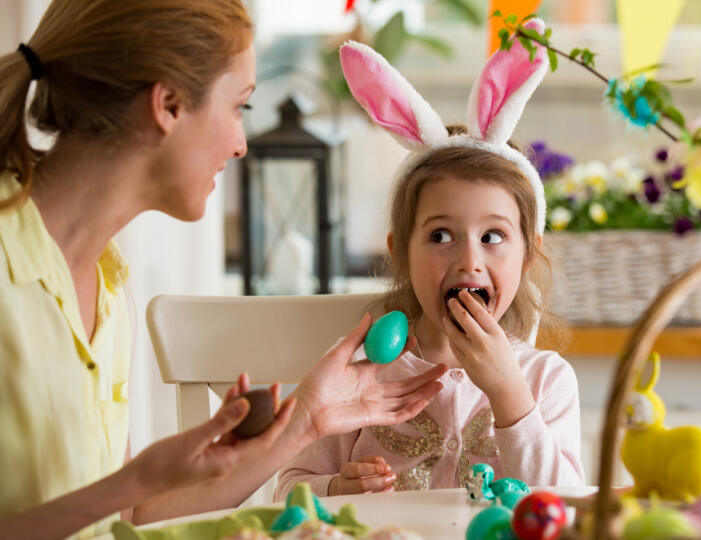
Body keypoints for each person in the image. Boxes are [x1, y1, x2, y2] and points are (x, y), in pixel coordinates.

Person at [0, 1, 446, 538]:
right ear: (167, 105)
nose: (240, 145)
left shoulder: (106, 284)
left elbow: (124, 520)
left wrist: (306, 422)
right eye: (239, 107)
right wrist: (134, 480)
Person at [275, 24, 584, 499]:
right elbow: (289, 492)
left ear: (527, 256)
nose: (468, 260)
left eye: (493, 236)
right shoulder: (358, 371)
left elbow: (566, 508)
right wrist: (335, 487)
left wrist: (509, 395)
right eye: (441, 235)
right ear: (399, 251)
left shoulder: (546, 380)